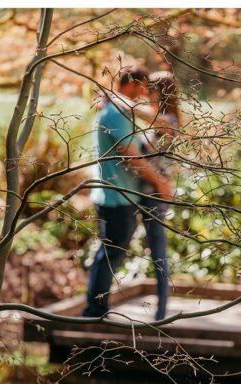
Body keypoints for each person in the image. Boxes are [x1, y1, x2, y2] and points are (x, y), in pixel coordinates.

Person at [84, 66, 173, 319]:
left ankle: (96, 307)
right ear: (133, 84)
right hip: (115, 196)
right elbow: (131, 155)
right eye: (143, 87)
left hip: (121, 194)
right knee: (111, 253)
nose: (144, 94)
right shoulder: (115, 114)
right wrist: (160, 183)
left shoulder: (118, 110)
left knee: (111, 252)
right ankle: (94, 310)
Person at [138, 71, 180, 320]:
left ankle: (161, 310)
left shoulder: (168, 120)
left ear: (160, 92)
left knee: (158, 251)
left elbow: (141, 115)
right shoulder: (161, 119)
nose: (145, 94)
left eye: (150, 90)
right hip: (145, 191)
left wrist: (118, 100)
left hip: (155, 193)